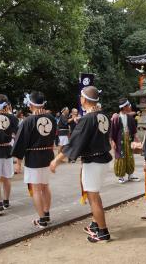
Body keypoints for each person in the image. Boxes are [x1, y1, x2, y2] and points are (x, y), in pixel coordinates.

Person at [50, 86, 112, 243]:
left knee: (93, 197)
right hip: (103, 159)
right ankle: (96, 225)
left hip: (93, 162)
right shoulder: (103, 115)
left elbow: (74, 142)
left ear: (83, 99)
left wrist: (56, 160)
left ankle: (103, 233)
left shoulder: (87, 119)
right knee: (95, 195)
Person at [12, 91, 56, 227]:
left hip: (34, 158)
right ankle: (47, 214)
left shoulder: (28, 121)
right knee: (45, 186)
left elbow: (20, 142)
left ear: (31, 104)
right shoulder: (52, 118)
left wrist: (18, 163)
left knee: (36, 189)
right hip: (47, 156)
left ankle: (42, 219)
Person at [110, 98, 140, 184]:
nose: (130, 107)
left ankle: (130, 174)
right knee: (120, 157)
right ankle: (120, 175)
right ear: (124, 107)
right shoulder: (116, 118)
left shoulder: (130, 118)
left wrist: (137, 140)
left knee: (130, 156)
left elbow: (134, 131)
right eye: (129, 105)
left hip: (129, 140)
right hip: (120, 141)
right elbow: (113, 131)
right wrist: (112, 141)